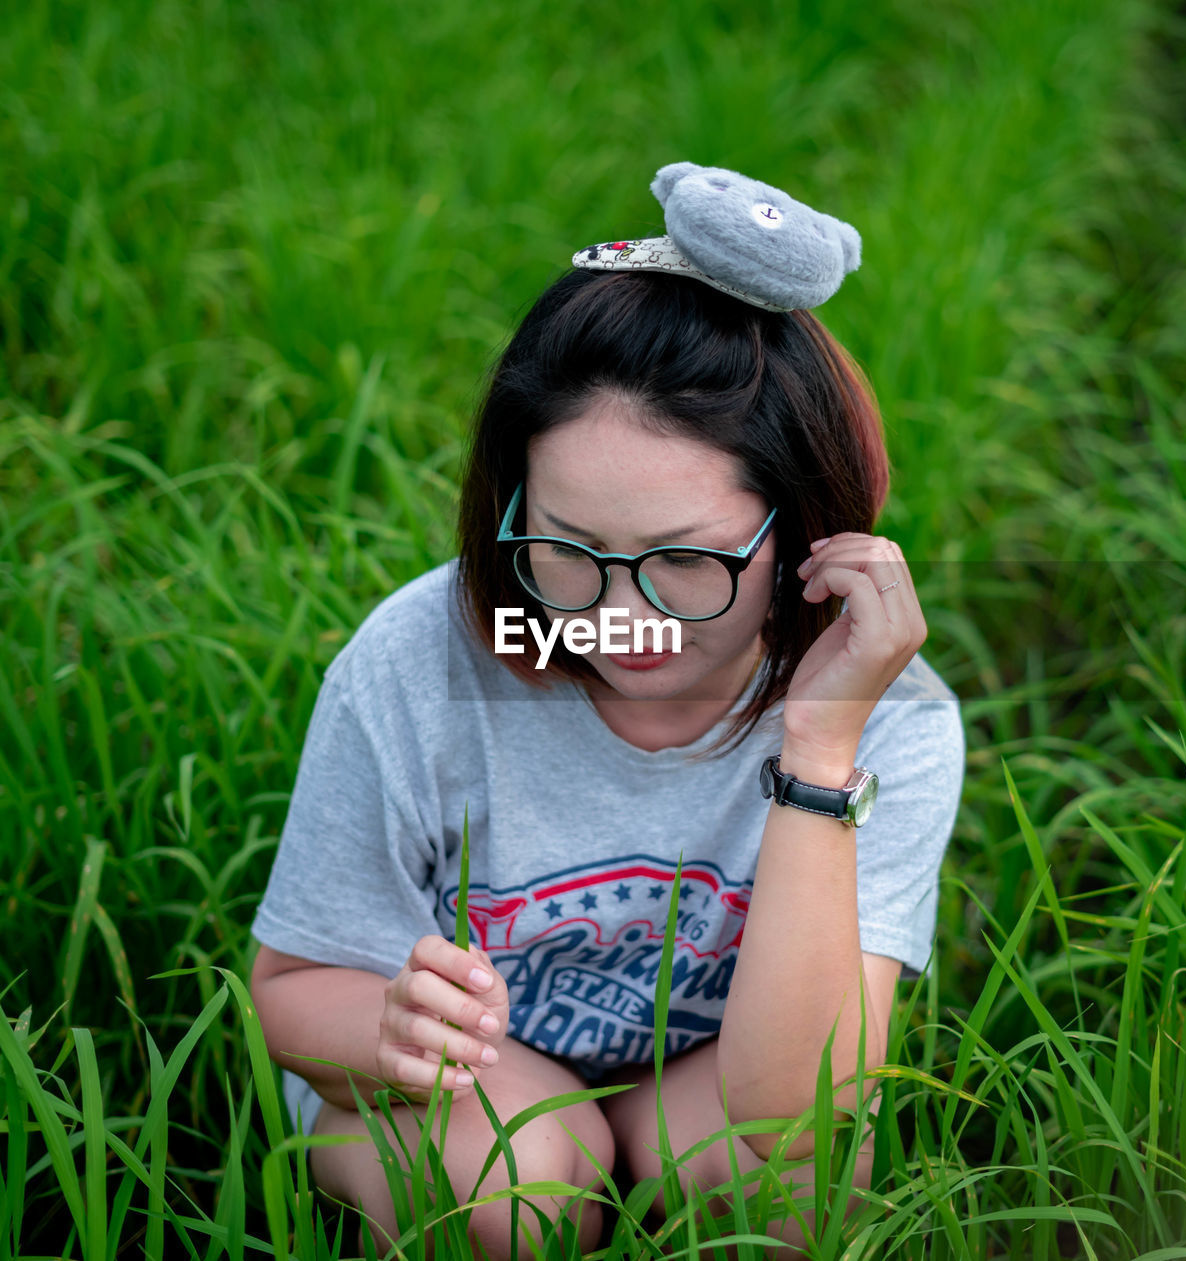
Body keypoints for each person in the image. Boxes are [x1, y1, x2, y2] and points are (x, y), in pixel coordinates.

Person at [249, 164, 965, 1259]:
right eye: (566, 548)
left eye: (685, 561)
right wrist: (383, 1031)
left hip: (695, 1089)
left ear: (809, 532)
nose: (617, 615)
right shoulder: (417, 658)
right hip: (445, 1100)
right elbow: (291, 988)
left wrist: (820, 746)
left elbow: (796, 1112)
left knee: (795, 1182)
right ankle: (567, 1160)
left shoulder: (887, 714)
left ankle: (613, 1149)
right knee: (516, 1185)